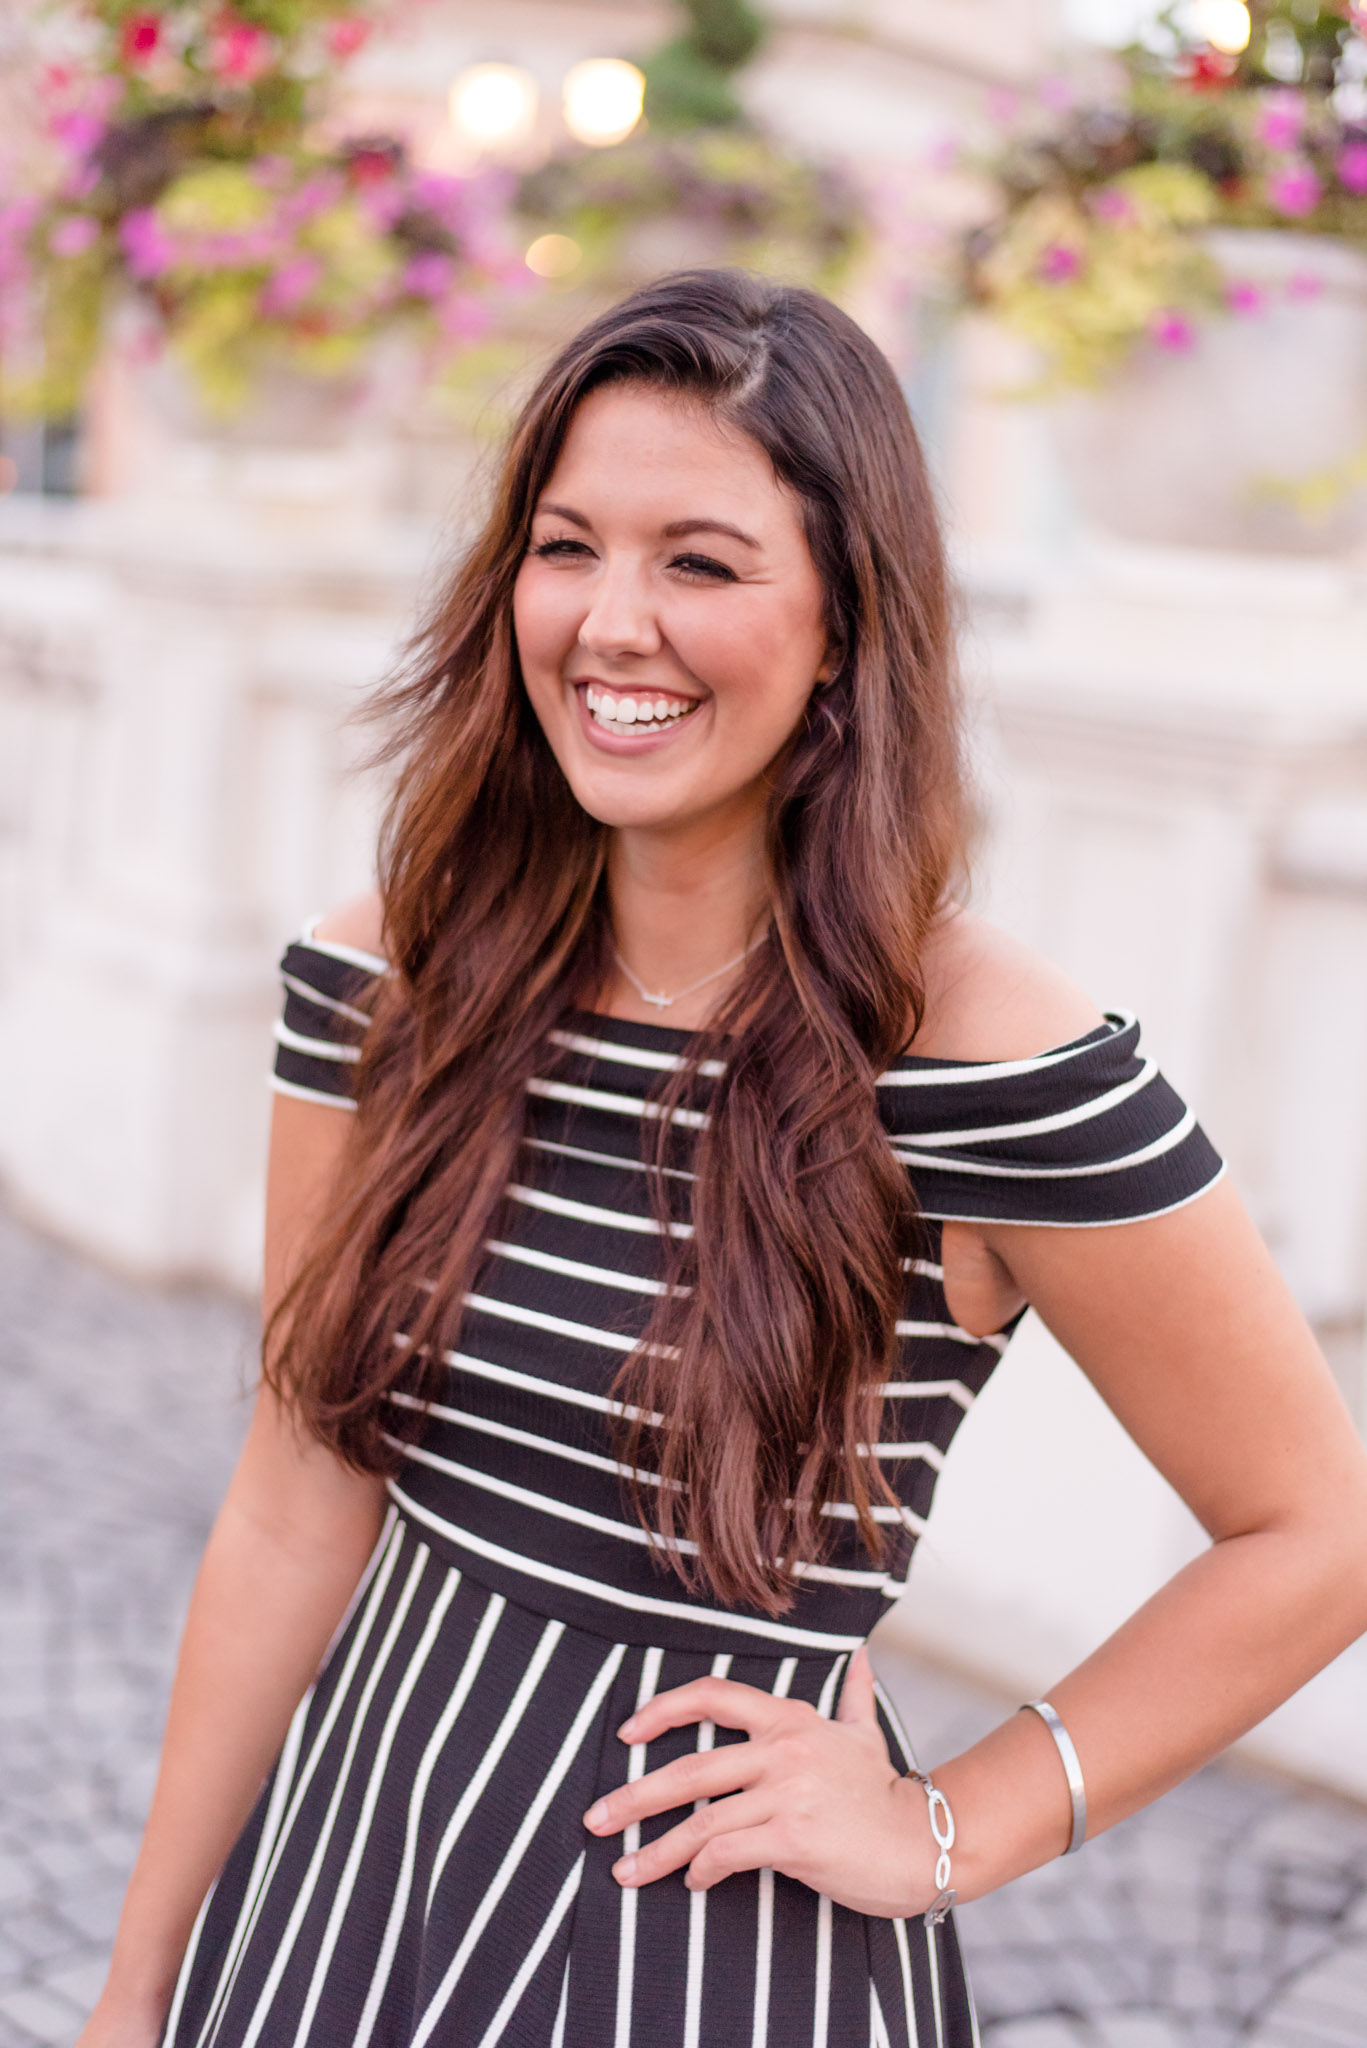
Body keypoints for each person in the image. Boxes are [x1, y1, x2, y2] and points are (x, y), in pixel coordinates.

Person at [79, 269, 1367, 2048]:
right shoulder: (385, 977)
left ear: (845, 624)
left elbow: (1319, 1528)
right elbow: (299, 1497)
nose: (615, 624)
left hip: (705, 1963)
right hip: (336, 1894)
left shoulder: (980, 1057)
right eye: (566, 545)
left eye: (702, 561)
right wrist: (141, 1989)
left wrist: (952, 1822)